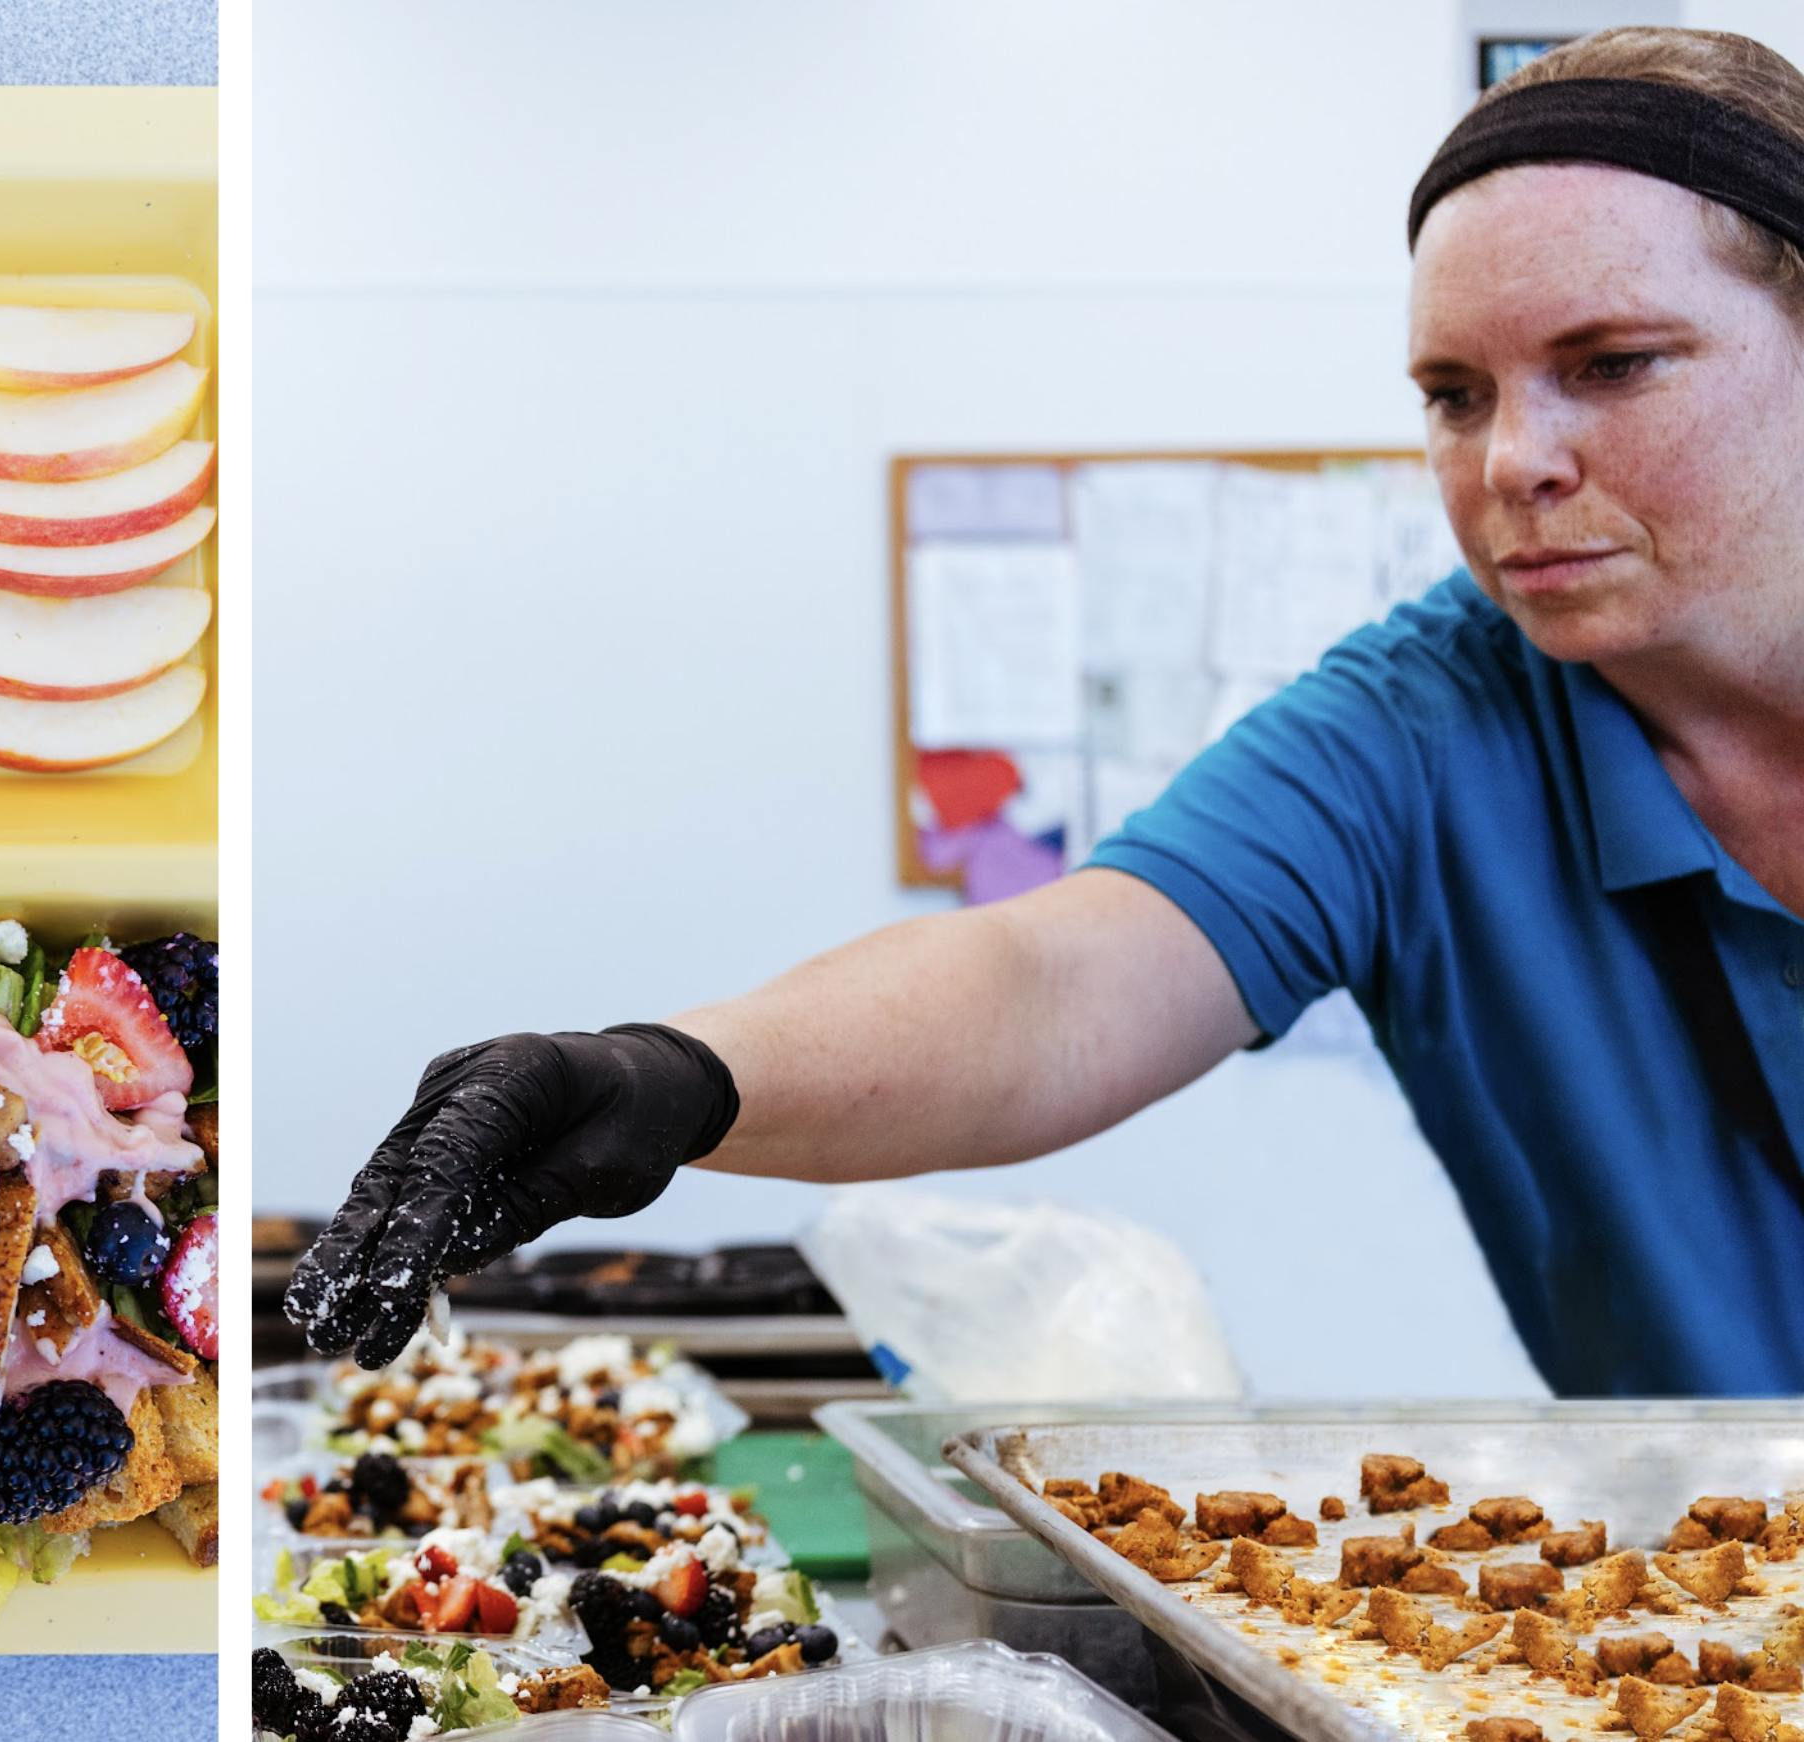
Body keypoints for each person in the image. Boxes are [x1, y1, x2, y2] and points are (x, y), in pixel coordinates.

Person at [285, 27, 1804, 1396]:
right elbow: (1052, 980)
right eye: (1455, 392)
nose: (1509, 461)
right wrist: (672, 1073)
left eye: (1611, 366)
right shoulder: (1424, 731)